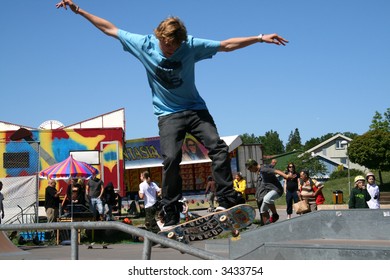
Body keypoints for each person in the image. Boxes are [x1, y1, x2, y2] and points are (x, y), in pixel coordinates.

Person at [55, 1, 288, 226]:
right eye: (166, 46)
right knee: (170, 159)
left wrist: (259, 38)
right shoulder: (144, 44)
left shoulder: (190, 46)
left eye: (174, 47)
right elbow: (110, 29)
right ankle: (171, 209)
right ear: (159, 37)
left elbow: (226, 45)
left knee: (218, 147)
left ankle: (226, 199)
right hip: (168, 116)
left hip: (196, 110)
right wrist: (79, 11)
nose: (169, 51)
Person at [245, 159, 290, 225]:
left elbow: (276, 171)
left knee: (267, 199)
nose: (251, 171)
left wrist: (286, 176)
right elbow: (270, 166)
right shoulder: (263, 168)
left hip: (277, 190)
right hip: (272, 190)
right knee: (262, 210)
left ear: (253, 166)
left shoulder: (263, 169)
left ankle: (275, 215)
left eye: (250, 169)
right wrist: (273, 163)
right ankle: (268, 224)